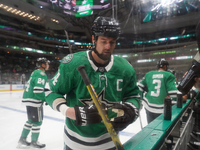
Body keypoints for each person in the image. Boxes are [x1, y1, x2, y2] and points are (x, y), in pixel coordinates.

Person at [45, 16, 140, 150]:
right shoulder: (72, 64)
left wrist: (132, 109)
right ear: (94, 39)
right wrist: (67, 110)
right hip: (74, 143)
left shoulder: (125, 68)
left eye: (112, 42)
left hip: (110, 143)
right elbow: (50, 91)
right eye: (103, 41)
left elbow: (134, 96)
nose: (108, 46)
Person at [17, 57, 50, 149]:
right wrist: (46, 99)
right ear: (43, 65)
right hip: (34, 101)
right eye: (47, 63)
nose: (48, 65)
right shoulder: (42, 74)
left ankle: (22, 140)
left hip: (28, 100)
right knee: (37, 122)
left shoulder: (34, 72)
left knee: (30, 121)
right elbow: (38, 91)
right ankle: (34, 142)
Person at [138, 59, 178, 124]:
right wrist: (181, 97)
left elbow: (139, 87)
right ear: (165, 66)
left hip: (148, 106)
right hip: (161, 109)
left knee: (151, 127)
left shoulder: (149, 74)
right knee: (160, 130)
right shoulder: (169, 75)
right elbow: (173, 93)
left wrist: (139, 100)